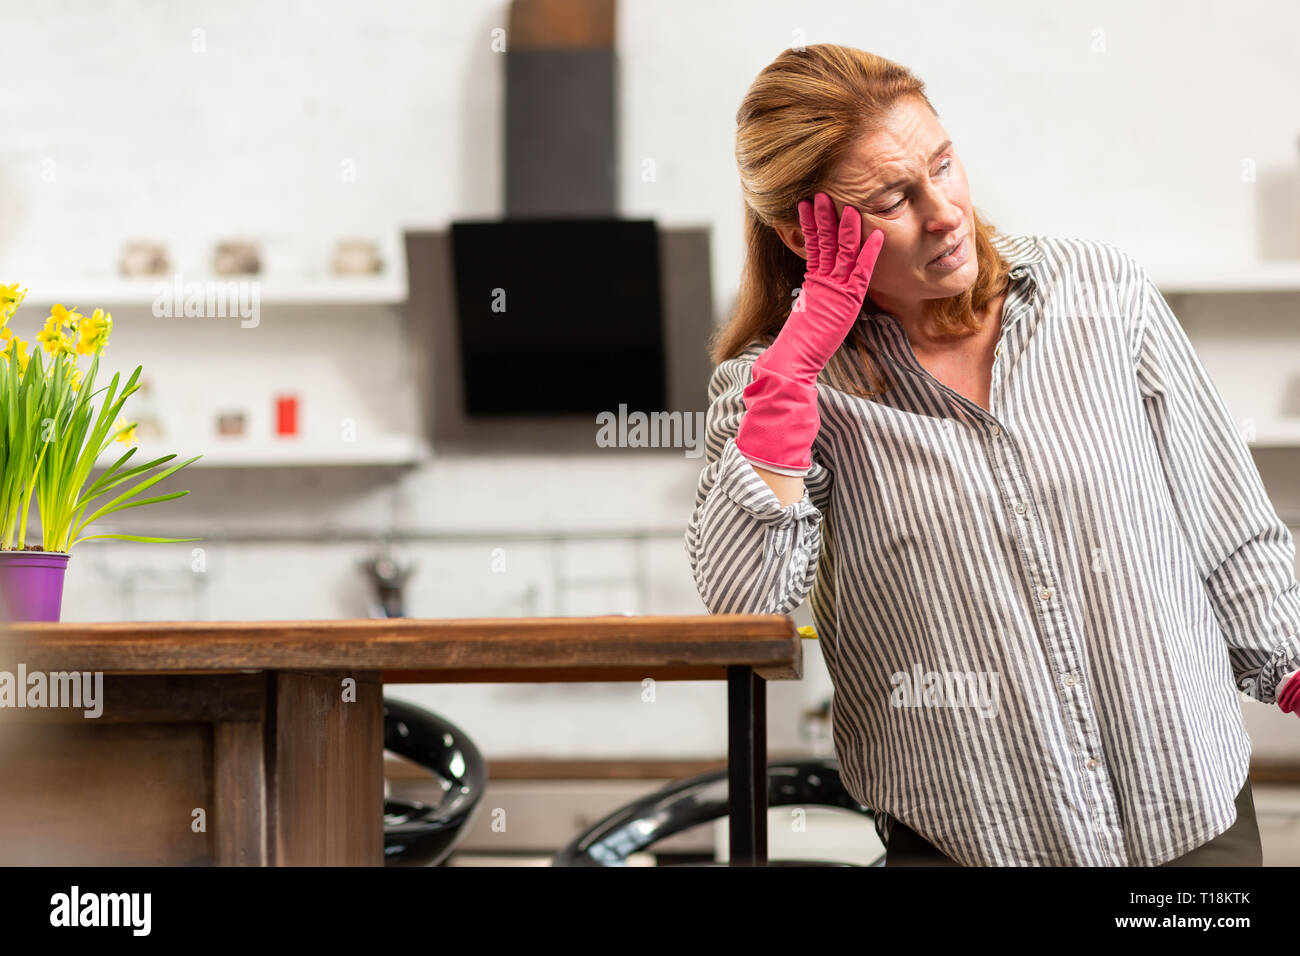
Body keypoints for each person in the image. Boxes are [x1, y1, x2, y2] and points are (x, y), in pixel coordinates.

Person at [685, 43, 1300, 866]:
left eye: (944, 164)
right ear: (808, 234)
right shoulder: (783, 388)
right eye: (894, 199)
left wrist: (1289, 665)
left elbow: (1227, 521)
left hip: (1189, 818)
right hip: (970, 840)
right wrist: (792, 371)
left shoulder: (1100, 295)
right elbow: (745, 613)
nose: (943, 212)